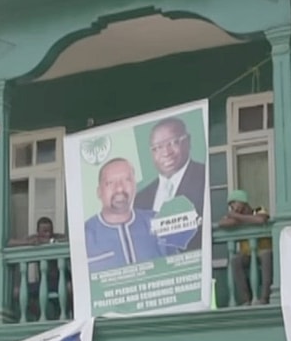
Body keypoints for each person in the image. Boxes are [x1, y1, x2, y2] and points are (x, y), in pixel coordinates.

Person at [134, 117, 206, 251]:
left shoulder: (205, 177)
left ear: (188, 141)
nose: (166, 153)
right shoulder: (140, 199)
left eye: (173, 143)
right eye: (158, 147)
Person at [85, 158, 169, 271]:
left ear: (135, 186)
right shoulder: (85, 234)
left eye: (127, 180)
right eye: (110, 182)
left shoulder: (157, 222)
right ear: (99, 192)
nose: (119, 188)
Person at [219, 190, 273, 305]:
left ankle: (264, 298)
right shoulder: (235, 216)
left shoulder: (258, 210)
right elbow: (222, 223)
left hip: (264, 250)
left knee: (266, 256)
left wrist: (238, 218)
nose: (232, 207)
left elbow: (261, 219)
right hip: (247, 254)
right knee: (235, 261)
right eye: (230, 205)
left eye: (234, 203)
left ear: (242, 201)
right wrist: (238, 218)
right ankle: (246, 299)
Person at [8, 217, 68, 321]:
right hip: (42, 283)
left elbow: (69, 239)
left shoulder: (55, 237)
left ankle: (69, 314)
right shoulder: (34, 238)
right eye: (44, 231)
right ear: (38, 231)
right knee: (17, 292)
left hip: (60, 281)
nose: (48, 234)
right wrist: (29, 243)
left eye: (50, 231)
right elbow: (10, 243)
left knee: (70, 289)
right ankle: (39, 314)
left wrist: (50, 241)